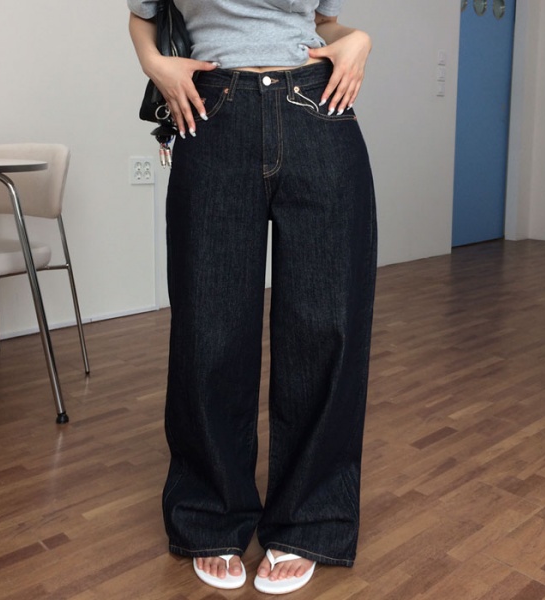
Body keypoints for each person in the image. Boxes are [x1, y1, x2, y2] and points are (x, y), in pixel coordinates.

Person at [128, 0, 376, 594]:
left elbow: (321, 22)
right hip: (212, 112)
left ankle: (309, 519)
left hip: (317, 107)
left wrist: (358, 39)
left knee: (327, 328)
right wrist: (156, 65)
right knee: (209, 330)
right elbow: (142, 15)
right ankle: (211, 513)